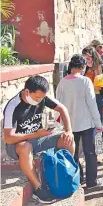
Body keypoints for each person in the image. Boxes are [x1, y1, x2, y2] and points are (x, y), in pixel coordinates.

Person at [3, 76, 75, 204]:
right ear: (27, 92)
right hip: (17, 145)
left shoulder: (42, 97)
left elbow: (62, 108)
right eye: (37, 98)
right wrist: (35, 134)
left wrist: (68, 131)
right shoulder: (13, 106)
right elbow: (8, 138)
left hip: (38, 138)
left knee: (67, 139)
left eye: (42, 98)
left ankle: (65, 174)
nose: (40, 100)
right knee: (26, 147)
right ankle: (38, 188)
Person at [56, 55, 103, 188]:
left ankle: (77, 180)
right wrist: (98, 123)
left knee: (73, 154)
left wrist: (59, 123)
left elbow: (57, 105)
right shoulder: (85, 81)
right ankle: (92, 182)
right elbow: (92, 104)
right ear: (83, 67)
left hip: (69, 125)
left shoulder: (62, 83)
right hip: (86, 123)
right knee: (90, 153)